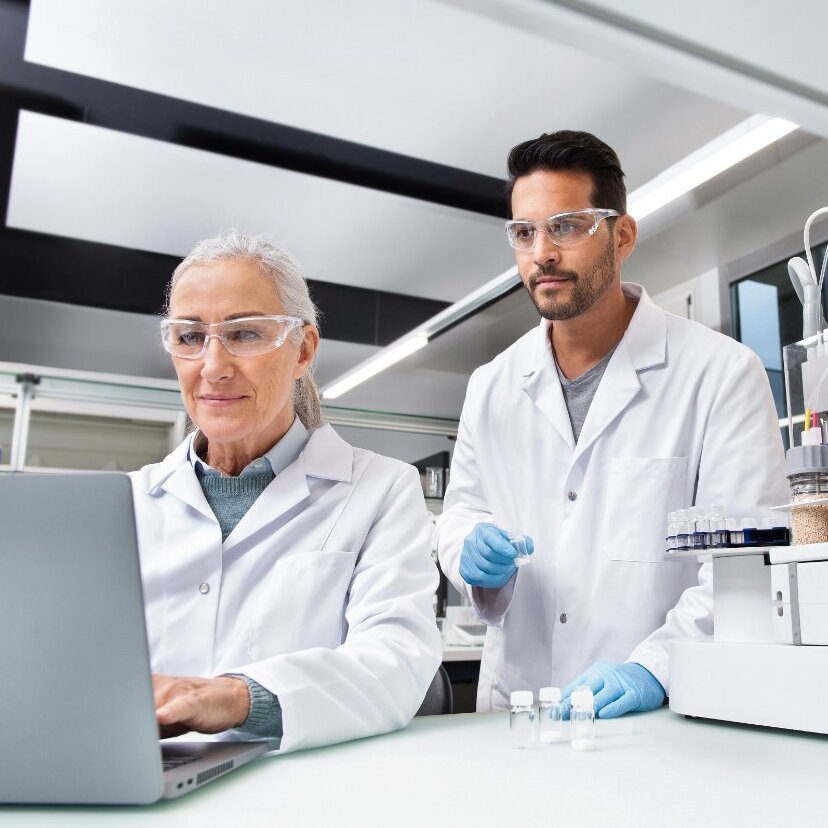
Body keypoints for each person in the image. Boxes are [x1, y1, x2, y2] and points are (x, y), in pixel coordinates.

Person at [436, 130, 788, 717]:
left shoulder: (720, 374)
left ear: (621, 234)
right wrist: (467, 549)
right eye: (525, 233)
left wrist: (655, 669)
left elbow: (744, 568)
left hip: (662, 719)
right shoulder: (492, 385)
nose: (542, 252)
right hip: (517, 717)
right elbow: (462, 513)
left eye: (567, 226)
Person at [129, 230, 442, 753]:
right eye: (189, 337)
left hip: (300, 790)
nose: (212, 366)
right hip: (146, 783)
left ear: (303, 350)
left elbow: (397, 661)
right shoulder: (130, 501)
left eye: (246, 334)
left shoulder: (380, 490)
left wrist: (236, 698)